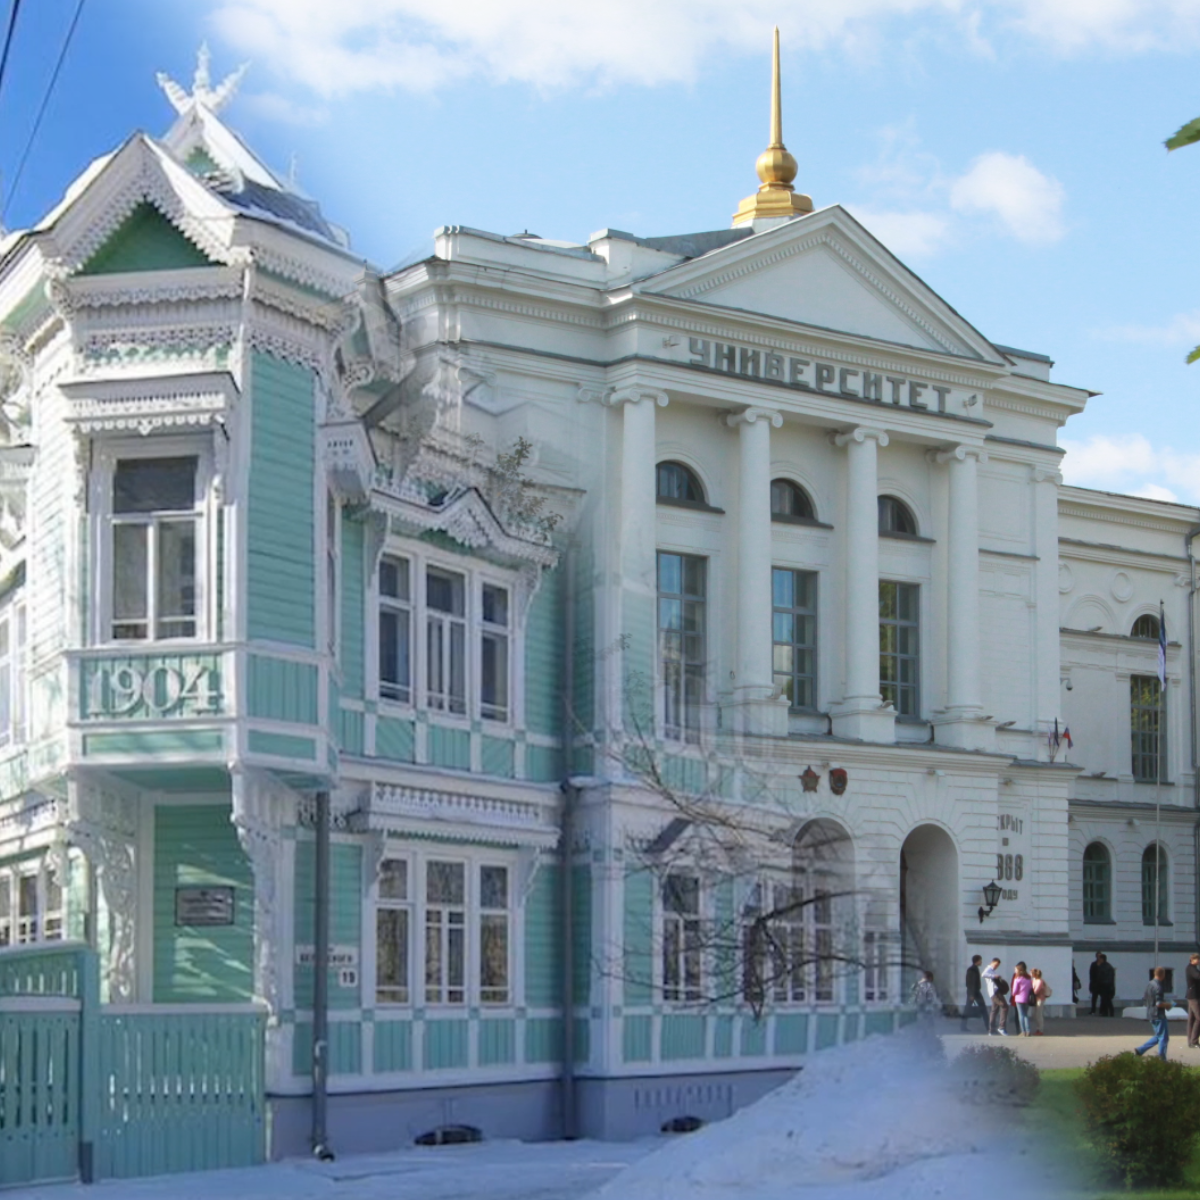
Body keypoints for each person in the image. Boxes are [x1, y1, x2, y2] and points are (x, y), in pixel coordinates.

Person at [1135, 966, 1172, 1060]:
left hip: (1150, 1013)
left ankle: (1140, 1050)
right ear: (1163, 975)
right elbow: (1159, 1004)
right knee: (1163, 1037)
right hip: (1159, 1014)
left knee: (1158, 1036)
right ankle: (1161, 1058)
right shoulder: (1159, 986)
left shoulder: (1149, 984)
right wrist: (1168, 1005)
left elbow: (1144, 998)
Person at [982, 957, 1009, 1035]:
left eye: (997, 965)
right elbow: (983, 974)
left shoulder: (992, 970)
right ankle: (1001, 1027)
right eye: (995, 965)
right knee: (1004, 1006)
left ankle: (991, 1030)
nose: (996, 966)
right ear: (992, 962)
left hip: (994, 992)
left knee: (994, 1010)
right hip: (995, 992)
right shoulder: (989, 969)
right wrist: (994, 976)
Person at [962, 955, 987, 1031]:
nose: (981, 962)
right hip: (974, 992)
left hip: (974, 992)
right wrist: (972, 994)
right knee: (982, 1009)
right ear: (977, 961)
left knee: (968, 1009)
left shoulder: (974, 969)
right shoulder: (972, 970)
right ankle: (988, 1026)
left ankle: (963, 1026)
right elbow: (971, 983)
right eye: (980, 960)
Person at [1011, 961, 1034, 1036]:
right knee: (1026, 1015)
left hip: (1019, 999)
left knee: (1021, 1015)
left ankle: (1023, 1031)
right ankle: (1028, 1030)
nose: (1015, 970)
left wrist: (1014, 994)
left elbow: (1014, 991)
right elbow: (1031, 988)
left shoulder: (1017, 979)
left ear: (1019, 970)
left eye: (1016, 969)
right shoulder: (1029, 978)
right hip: (1027, 998)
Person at [1030, 967, 1052, 1035]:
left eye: (1031, 973)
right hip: (1035, 999)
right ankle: (1038, 1028)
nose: (1030, 974)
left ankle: (1040, 1029)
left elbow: (1036, 991)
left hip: (1040, 999)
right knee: (1034, 1014)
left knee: (1038, 1015)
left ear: (1034, 974)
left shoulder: (1040, 981)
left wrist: (1030, 991)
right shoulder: (1033, 980)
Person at [1186, 952, 1200, 1049]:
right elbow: (1198, 976)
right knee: (1198, 1018)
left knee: (1192, 1019)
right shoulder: (1191, 968)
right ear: (1192, 960)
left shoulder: (1193, 968)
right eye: (1197, 959)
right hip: (1193, 996)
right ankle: (1194, 1041)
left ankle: (1191, 1041)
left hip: (1193, 995)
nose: (1198, 961)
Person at [1088, 950, 1103, 1015]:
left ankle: (1101, 1011)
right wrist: (1091, 984)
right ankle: (1093, 1010)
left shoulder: (1104, 964)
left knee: (1102, 998)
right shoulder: (1093, 964)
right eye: (1098, 956)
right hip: (1095, 984)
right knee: (1094, 998)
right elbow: (1091, 974)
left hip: (1102, 984)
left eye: (1100, 956)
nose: (1098, 957)